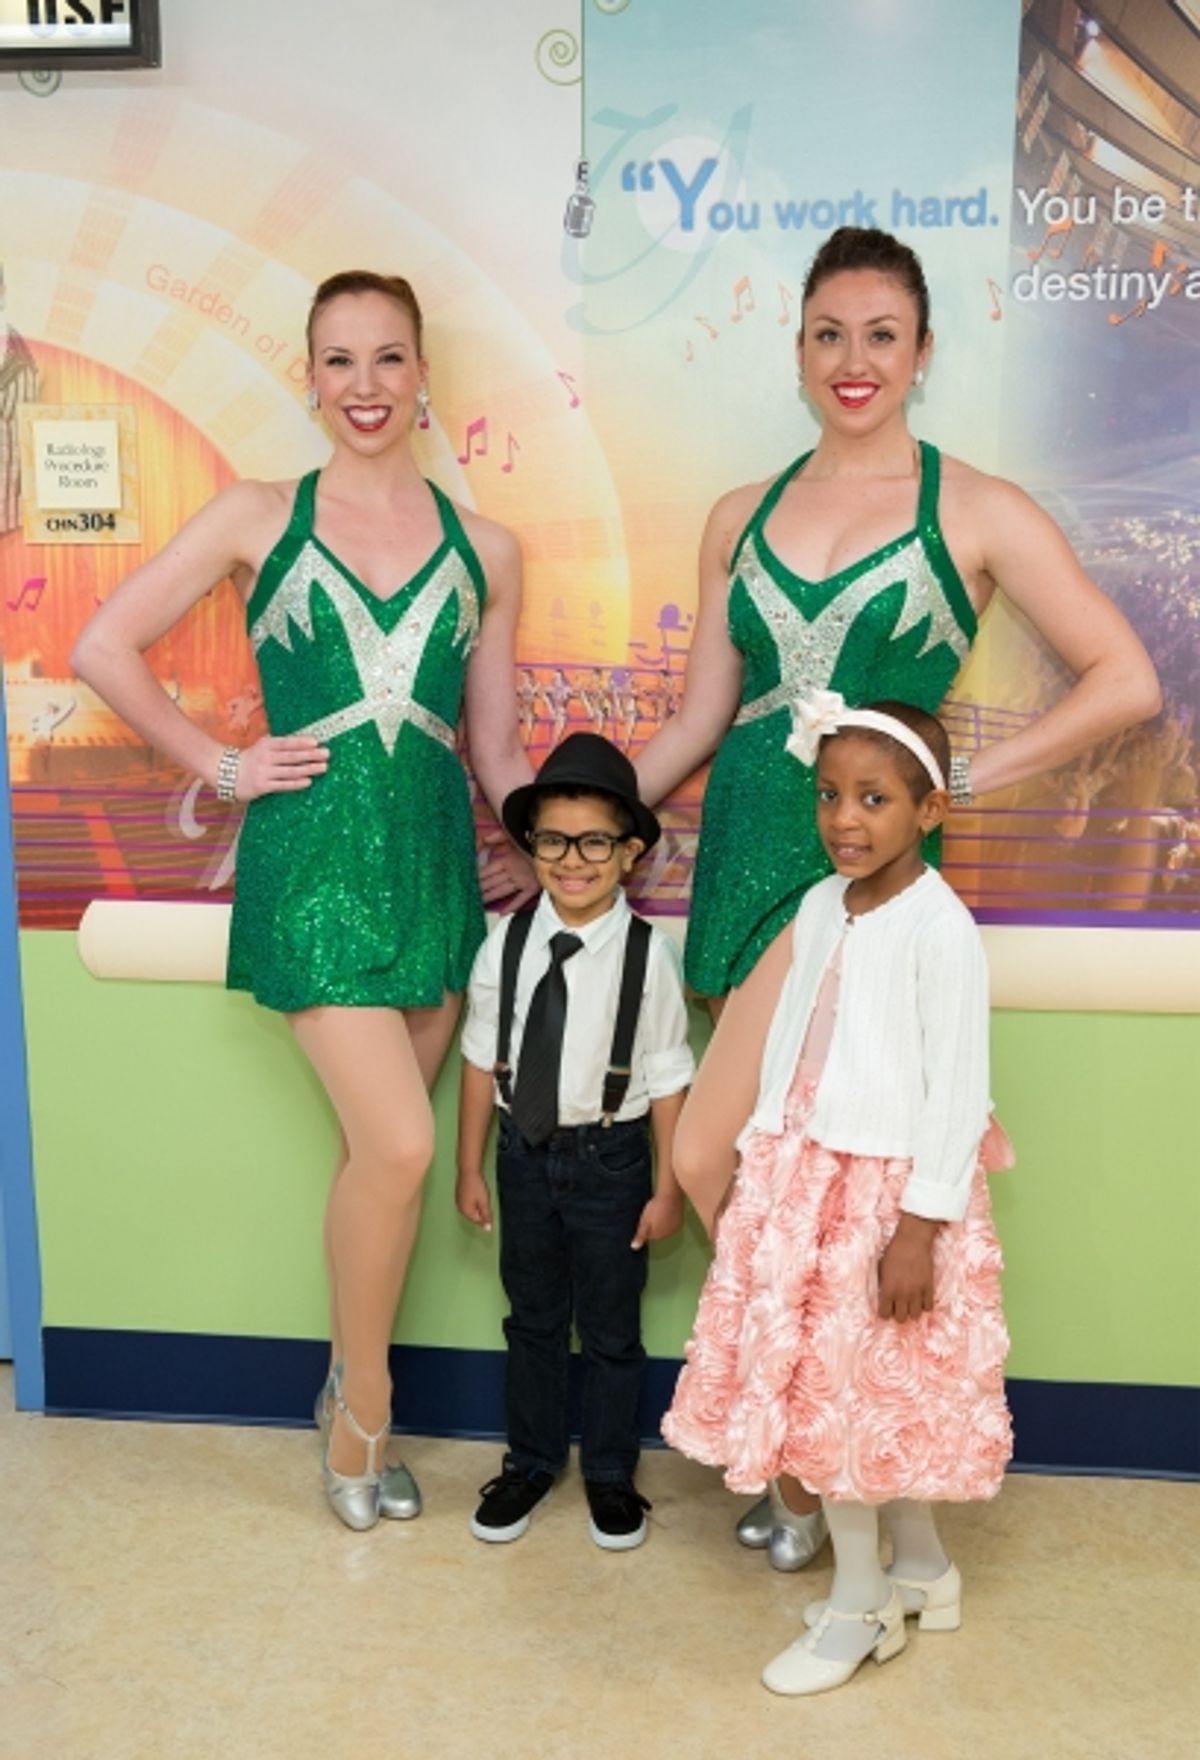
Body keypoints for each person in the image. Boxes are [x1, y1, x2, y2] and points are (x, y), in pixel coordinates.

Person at [634, 224, 1160, 1554]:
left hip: (858, 899)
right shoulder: (735, 514)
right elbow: (704, 715)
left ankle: (820, 1472)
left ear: (922, 351)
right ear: (798, 350)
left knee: (723, 1161)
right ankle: (819, 1467)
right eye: (828, 334)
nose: (853, 361)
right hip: (745, 864)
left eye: (881, 335)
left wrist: (964, 786)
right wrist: (574, 820)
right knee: (782, 1192)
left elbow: (1125, 678)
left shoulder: (975, 506)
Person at [70, 269, 535, 1531]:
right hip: (314, 873)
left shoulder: (486, 548)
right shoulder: (256, 515)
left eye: (390, 359)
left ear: (425, 373)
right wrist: (221, 766)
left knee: (366, 1163)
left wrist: (546, 846)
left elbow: (492, 748)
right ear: (309, 376)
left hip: (434, 869)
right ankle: (363, 1414)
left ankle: (345, 1372)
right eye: (340, 361)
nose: (367, 386)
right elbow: (100, 645)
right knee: (400, 1147)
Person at [664, 695, 1013, 1695]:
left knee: (851, 1392)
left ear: (928, 809)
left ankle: (861, 1604)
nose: (846, 818)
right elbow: (792, 1044)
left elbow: (958, 1084)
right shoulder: (823, 904)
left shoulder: (940, 926)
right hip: (804, 1171)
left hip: (885, 1194)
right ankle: (921, 1569)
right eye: (829, 795)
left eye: (874, 798)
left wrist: (920, 1224)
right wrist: (764, 1152)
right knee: (857, 1382)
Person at [456, 734, 694, 1550]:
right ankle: (529, 1460)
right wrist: (467, 1166)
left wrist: (667, 1187)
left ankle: (609, 1472)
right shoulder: (507, 943)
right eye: (553, 841)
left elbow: (667, 1075)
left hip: (612, 1159)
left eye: (595, 841)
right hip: (522, 1158)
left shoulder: (648, 957)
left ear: (628, 852)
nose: (573, 860)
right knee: (531, 1319)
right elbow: (481, 1057)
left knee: (611, 1326)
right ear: (533, 848)